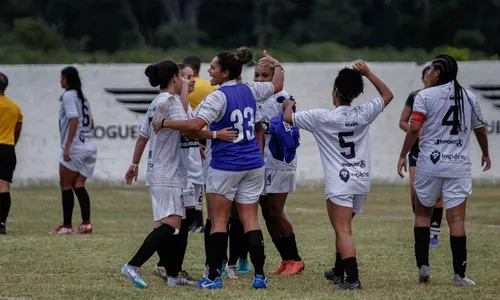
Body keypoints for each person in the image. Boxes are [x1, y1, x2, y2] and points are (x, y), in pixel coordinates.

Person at [153, 47, 285, 289]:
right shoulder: (250, 89)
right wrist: (277, 65)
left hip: (226, 165)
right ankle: (259, 276)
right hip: (253, 164)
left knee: (219, 220)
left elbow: (194, 126)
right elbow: (277, 85)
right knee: (250, 220)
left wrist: (164, 122)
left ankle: (213, 277)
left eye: (213, 67)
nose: (209, 71)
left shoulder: (218, 96)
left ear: (225, 73)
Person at [122, 62, 236, 289]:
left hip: (159, 171)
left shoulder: (157, 102)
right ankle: (133, 266)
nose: (188, 80)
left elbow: (145, 135)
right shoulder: (171, 101)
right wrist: (216, 134)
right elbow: (189, 127)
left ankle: (173, 276)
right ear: (175, 77)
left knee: (165, 225)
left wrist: (134, 164)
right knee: (172, 224)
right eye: (184, 77)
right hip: (168, 173)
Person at [283, 60, 394, 290]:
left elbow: (287, 119)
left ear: (334, 92)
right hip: (361, 179)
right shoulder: (364, 112)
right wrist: (368, 73)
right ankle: (338, 270)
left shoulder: (321, 117)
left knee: (343, 230)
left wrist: (287, 105)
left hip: (339, 182)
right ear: (355, 94)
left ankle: (352, 280)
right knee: (342, 228)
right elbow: (387, 95)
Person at [397, 54, 491, 286]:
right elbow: (480, 130)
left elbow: (414, 128)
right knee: (457, 220)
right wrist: (485, 153)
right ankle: (460, 275)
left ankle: (423, 267)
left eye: (430, 69)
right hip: (458, 165)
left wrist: (402, 154)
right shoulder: (469, 96)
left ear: (437, 72)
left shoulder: (424, 96)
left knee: (422, 215)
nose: (427, 73)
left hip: (429, 163)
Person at [254, 64, 304, 275]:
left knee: (276, 210)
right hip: (261, 161)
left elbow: (291, 127)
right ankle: (286, 259)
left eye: (266, 75)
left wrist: (287, 108)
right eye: (257, 75)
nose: (261, 79)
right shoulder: (254, 97)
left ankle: (296, 259)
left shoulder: (282, 97)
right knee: (266, 212)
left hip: (279, 161)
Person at [399, 65, 444, 247]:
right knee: (415, 189)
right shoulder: (415, 96)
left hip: (438, 149)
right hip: (417, 149)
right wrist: (416, 132)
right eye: (425, 75)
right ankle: (421, 224)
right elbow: (403, 121)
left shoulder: (443, 97)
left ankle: (434, 233)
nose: (428, 78)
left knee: (438, 193)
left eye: (430, 74)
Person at [52, 67, 97, 235]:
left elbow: (74, 118)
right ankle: (86, 223)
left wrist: (68, 146)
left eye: (62, 78)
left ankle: (67, 225)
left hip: (76, 146)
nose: (60, 81)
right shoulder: (82, 97)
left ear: (66, 80)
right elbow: (91, 123)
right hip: (90, 145)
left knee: (65, 184)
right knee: (78, 184)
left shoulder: (68, 96)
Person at [183, 55, 217, 233]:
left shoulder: (184, 87)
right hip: (206, 136)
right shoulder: (209, 86)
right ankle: (202, 221)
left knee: (190, 179)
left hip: (193, 136)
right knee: (203, 181)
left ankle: (193, 221)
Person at [0, 72, 22, 235]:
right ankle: (1, 223)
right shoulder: (15, 107)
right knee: (4, 185)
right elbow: (17, 130)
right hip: (8, 148)